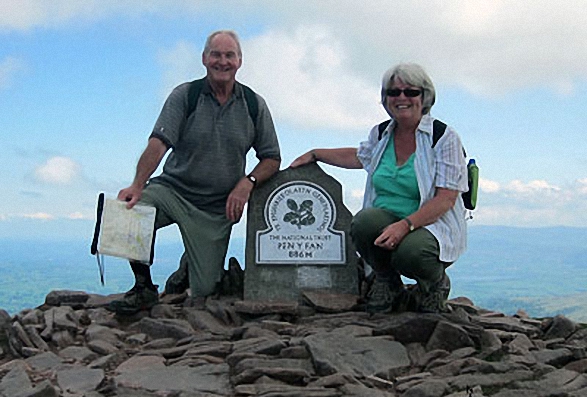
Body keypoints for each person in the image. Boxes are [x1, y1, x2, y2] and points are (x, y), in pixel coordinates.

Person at [108, 30, 281, 315]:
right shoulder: (185, 95)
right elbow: (158, 143)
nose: (222, 61)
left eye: (229, 55)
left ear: (239, 61)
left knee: (203, 290)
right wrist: (137, 185)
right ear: (204, 59)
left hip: (215, 208)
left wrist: (246, 183)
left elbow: (271, 157)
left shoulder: (253, 104)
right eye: (216, 54)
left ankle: (192, 264)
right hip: (172, 191)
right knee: (127, 214)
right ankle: (143, 288)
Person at [290, 63, 467, 313]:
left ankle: (433, 285)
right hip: (389, 218)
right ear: (385, 99)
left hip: (430, 225)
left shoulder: (443, 137)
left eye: (411, 92)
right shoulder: (383, 133)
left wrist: (405, 225)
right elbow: (358, 157)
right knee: (363, 224)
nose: (402, 98)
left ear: (424, 96)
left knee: (411, 253)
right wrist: (316, 154)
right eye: (394, 92)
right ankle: (387, 282)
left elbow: (446, 199)